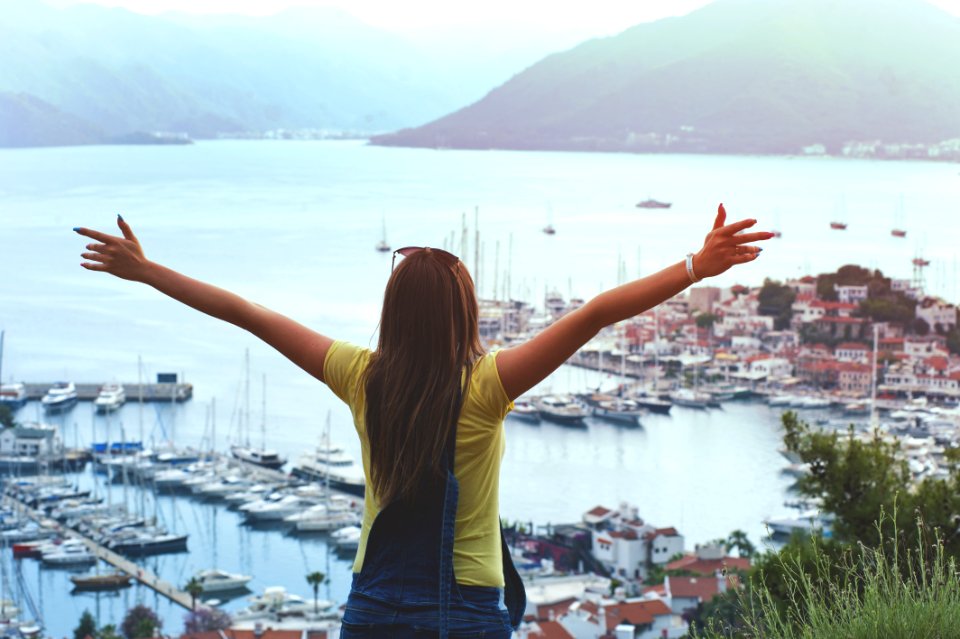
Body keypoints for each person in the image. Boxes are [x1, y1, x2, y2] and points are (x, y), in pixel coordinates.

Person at [74, 204, 771, 638]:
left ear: (394, 312)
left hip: (371, 608)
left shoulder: (359, 375)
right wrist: (693, 264)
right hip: (465, 613)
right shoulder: (489, 385)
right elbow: (593, 313)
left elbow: (249, 313)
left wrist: (147, 270)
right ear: (464, 314)